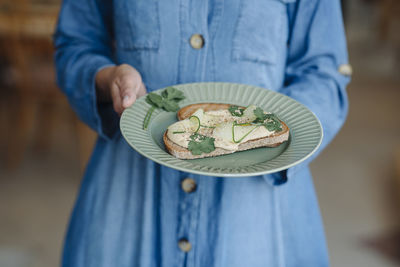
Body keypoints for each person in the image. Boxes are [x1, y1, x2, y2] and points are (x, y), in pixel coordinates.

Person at [54, 0, 351, 266]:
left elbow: (324, 73)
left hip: (255, 214)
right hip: (127, 199)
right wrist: (108, 79)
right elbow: (76, 44)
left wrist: (270, 136)